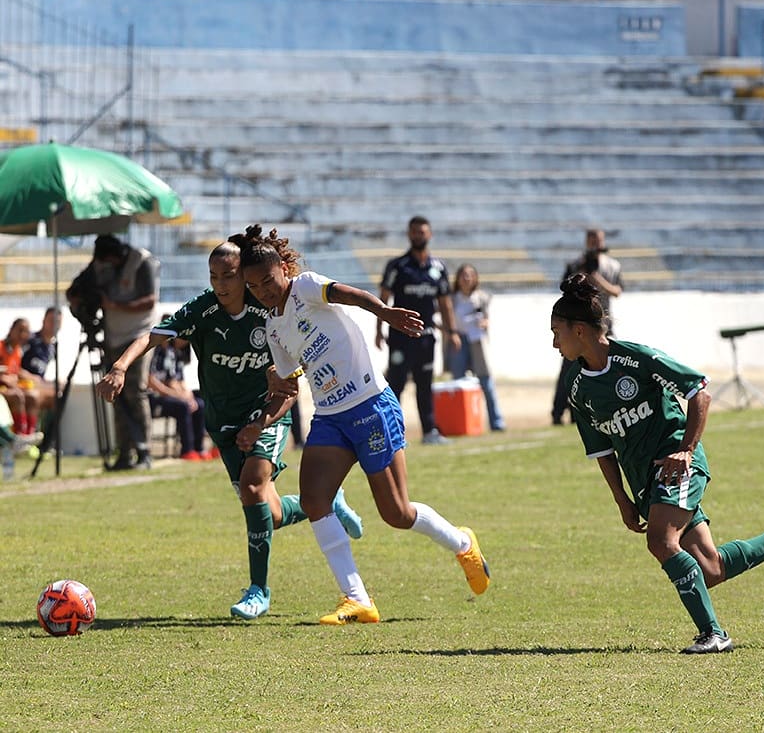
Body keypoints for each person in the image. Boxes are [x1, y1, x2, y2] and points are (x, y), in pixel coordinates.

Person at [236, 224, 490, 626]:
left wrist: (384, 313)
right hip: (330, 418)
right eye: (254, 287)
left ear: (284, 268)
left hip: (370, 404)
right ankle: (357, 599)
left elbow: (346, 294)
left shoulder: (304, 286)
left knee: (397, 513)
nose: (264, 291)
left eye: (267, 280)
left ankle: (463, 543)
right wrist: (260, 423)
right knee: (315, 499)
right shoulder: (273, 328)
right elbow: (287, 388)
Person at [96, 239, 363, 620]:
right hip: (222, 424)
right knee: (266, 512)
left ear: (246, 278)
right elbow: (151, 337)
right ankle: (326, 502)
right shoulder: (202, 310)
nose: (221, 284)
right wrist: (120, 367)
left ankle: (259, 590)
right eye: (214, 276)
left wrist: (261, 422)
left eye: (229, 276)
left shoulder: (269, 312)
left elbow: (290, 386)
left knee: (254, 486)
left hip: (266, 415)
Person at [551, 273, 764, 655]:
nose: (554, 342)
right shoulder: (576, 384)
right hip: (644, 481)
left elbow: (698, 391)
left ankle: (713, 634)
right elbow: (601, 449)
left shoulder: (635, 358)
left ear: (580, 330)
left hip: (676, 466)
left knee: (661, 541)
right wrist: (621, 499)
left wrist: (685, 449)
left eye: (557, 332)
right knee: (711, 569)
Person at [68, 234, 160, 470]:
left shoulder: (142, 261)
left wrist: (114, 305)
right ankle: (124, 453)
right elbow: (76, 290)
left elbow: (150, 301)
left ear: (115, 254)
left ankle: (144, 452)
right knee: (115, 394)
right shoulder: (101, 264)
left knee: (135, 392)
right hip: (112, 337)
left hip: (139, 337)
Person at [377, 215, 460, 444]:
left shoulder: (438, 268)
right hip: (400, 336)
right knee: (396, 384)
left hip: (426, 338)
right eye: (414, 232)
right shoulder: (397, 266)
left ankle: (429, 431)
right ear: (409, 234)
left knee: (425, 385)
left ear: (429, 234)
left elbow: (445, 303)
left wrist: (452, 332)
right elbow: (383, 299)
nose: (418, 236)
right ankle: (391, 431)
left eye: (422, 232)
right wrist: (378, 330)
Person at [551, 228, 623, 426]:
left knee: (609, 364)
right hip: (577, 324)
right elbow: (564, 289)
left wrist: (596, 279)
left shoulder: (612, 265)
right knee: (569, 367)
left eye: (598, 240)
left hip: (603, 324)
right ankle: (558, 412)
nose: (595, 244)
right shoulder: (575, 264)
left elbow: (617, 291)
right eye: (591, 240)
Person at [447, 263, 505, 432]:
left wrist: (485, 323)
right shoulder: (452, 299)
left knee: (486, 382)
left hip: (477, 341)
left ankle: (497, 422)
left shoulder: (482, 297)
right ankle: (460, 423)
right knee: (458, 382)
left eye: (470, 275)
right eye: (463, 275)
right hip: (459, 341)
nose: (467, 279)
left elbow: (486, 318)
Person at [148, 323, 209, 461]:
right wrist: (180, 397)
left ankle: (198, 449)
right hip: (153, 398)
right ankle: (187, 450)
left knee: (199, 405)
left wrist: (188, 397)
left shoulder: (172, 353)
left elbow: (174, 381)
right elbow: (151, 381)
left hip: (167, 396)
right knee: (183, 407)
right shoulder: (154, 351)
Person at [0, 317, 42, 435]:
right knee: (17, 396)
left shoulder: (17, 351)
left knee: (33, 396)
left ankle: (29, 434)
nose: (23, 335)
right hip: (3, 389)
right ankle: (20, 434)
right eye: (20, 330)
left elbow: (15, 372)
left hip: (10, 388)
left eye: (26, 332)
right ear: (11, 330)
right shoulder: (1, 346)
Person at [21, 306, 61, 413]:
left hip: (38, 384)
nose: (54, 325)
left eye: (58, 322)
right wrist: (32, 378)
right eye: (51, 321)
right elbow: (15, 365)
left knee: (58, 393)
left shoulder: (53, 348)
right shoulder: (30, 340)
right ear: (44, 321)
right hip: (23, 383)